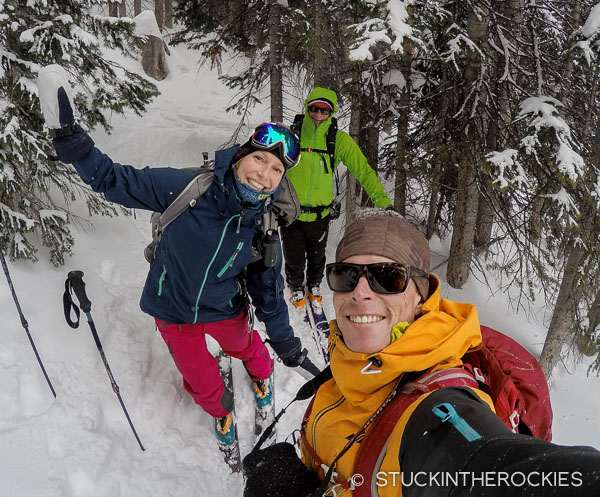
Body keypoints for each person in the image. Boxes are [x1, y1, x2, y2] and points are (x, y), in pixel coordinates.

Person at [37, 65, 319, 449]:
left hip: (225, 309)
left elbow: (268, 291)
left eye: (275, 169)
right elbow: (113, 179)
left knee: (246, 347)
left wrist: (285, 341)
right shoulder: (187, 188)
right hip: (172, 310)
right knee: (201, 381)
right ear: (240, 156)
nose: (263, 174)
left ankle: (263, 375)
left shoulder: (263, 224)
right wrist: (74, 143)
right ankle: (221, 413)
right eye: (259, 160)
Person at [294, 210, 600, 497]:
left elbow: (491, 467)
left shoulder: (441, 406)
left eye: (387, 277)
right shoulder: (351, 361)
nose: (360, 292)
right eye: (346, 275)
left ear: (420, 296)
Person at [282, 87, 392, 314]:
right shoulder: (290, 134)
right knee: (293, 256)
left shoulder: (337, 140)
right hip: (291, 212)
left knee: (317, 256)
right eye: (314, 109)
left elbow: (363, 170)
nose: (319, 115)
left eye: (325, 110)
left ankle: (313, 286)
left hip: (320, 214)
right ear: (307, 107)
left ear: (332, 113)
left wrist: (382, 201)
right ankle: (295, 286)